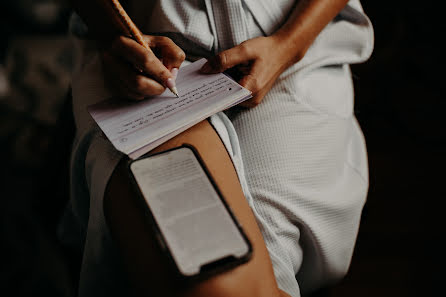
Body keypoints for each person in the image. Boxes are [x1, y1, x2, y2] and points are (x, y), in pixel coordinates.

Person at [59, 0, 374, 296]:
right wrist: (113, 34)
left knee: (265, 252)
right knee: (210, 278)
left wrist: (289, 43)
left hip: (289, 47)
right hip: (144, 61)